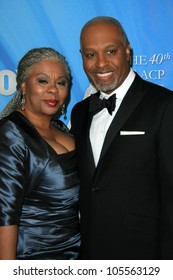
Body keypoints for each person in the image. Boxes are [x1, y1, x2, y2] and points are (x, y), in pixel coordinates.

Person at [70, 16, 173, 260]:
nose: (100, 64)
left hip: (144, 256)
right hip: (89, 256)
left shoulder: (164, 106)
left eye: (110, 51)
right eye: (90, 54)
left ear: (127, 52)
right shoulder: (80, 111)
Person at [0, 47, 80, 260]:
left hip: (77, 255)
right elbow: (5, 215)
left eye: (61, 83)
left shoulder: (63, 130)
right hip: (35, 258)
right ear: (24, 86)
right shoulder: (10, 133)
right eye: (43, 81)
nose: (53, 90)